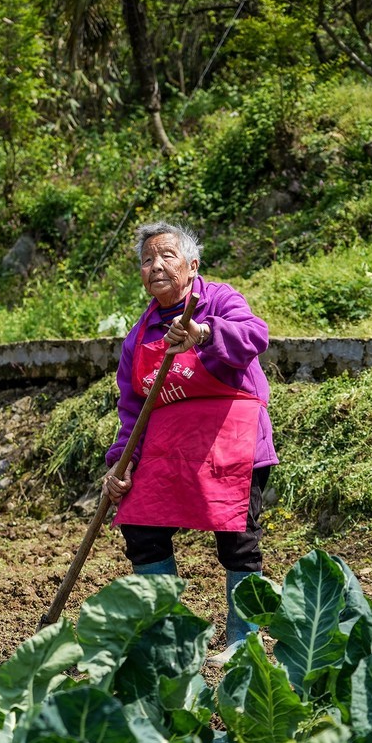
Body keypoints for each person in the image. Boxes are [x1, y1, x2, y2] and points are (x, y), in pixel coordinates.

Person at [102, 220, 278, 665]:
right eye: (146, 260)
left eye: (166, 256)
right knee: (140, 524)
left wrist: (203, 332)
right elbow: (131, 411)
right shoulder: (138, 336)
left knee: (236, 540)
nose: (155, 266)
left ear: (192, 264)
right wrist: (121, 465)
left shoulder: (219, 299)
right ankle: (171, 636)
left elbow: (256, 334)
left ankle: (244, 641)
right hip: (169, 447)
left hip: (230, 440)